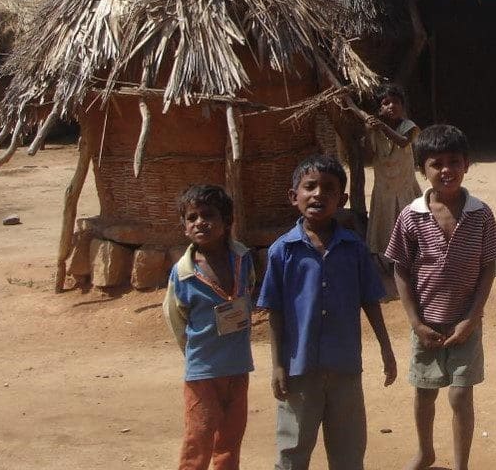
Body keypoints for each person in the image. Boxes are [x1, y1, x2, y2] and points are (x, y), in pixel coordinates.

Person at [257, 155, 397, 470]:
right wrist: (278, 365)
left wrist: (386, 349)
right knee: (292, 451)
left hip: (345, 369)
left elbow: (370, 300)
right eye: (310, 187)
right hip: (299, 371)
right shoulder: (283, 251)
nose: (318, 194)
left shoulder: (355, 248)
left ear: (342, 199)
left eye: (329, 189)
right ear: (294, 196)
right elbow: (274, 310)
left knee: (348, 452)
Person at [384, 125, 496, 470]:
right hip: (426, 324)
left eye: (454, 162)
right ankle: (425, 452)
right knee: (424, 392)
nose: (446, 171)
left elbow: (488, 266)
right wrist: (415, 322)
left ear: (467, 164)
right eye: (436, 164)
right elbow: (401, 271)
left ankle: (461, 464)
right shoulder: (411, 217)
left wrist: (472, 316)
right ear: (422, 169)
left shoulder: (480, 214)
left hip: (466, 322)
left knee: (460, 393)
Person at [163, 184, 255, 470]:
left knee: (230, 438)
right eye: (192, 218)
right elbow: (175, 318)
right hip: (203, 371)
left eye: (208, 215)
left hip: (238, 367)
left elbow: (249, 290)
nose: (200, 222)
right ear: (185, 227)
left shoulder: (242, 258)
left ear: (227, 222)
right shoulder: (183, 273)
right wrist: (194, 353)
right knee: (198, 437)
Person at [364, 83, 421, 293]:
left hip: (404, 186)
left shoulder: (409, 126)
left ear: (403, 106)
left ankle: (412, 262)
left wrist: (381, 127)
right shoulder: (374, 131)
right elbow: (369, 156)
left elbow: (403, 142)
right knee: (386, 226)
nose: (391, 106)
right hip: (384, 189)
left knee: (410, 225)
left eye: (396, 102)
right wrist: (368, 132)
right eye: (386, 103)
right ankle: (391, 263)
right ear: (379, 109)